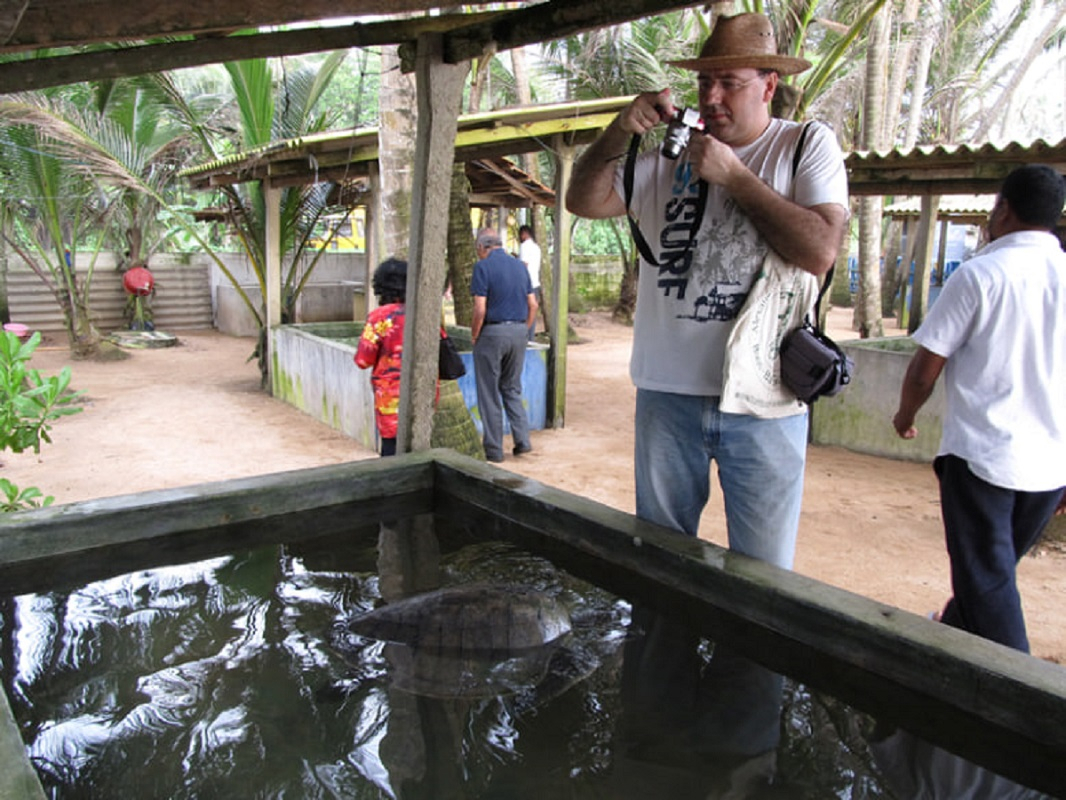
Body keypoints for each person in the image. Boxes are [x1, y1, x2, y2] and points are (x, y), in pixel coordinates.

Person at [564, 12, 849, 569]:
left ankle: (748, 661)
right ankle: (666, 656)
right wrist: (621, 130)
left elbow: (820, 250)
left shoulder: (804, 146)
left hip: (765, 399)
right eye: (704, 83)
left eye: (730, 83)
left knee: (763, 576)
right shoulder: (668, 159)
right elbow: (582, 200)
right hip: (666, 397)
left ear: (768, 84)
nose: (713, 96)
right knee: (662, 565)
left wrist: (735, 177)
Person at [892, 164, 1066, 653]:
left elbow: (926, 367)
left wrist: (906, 416)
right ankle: (945, 641)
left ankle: (1024, 694)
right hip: (1049, 466)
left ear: (1003, 209)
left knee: (987, 583)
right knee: (989, 574)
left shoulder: (980, 274)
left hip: (984, 459)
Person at [470, 228, 538, 463]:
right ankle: (523, 441)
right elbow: (533, 304)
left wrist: (475, 334)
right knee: (511, 388)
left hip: (492, 333)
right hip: (519, 331)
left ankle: (494, 450)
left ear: (482, 248)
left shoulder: (482, 267)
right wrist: (524, 330)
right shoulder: (520, 266)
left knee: (488, 392)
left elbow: (480, 308)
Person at [354, 258, 412, 457]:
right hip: (424, 392)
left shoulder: (379, 317)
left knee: (391, 448)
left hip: (390, 397)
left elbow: (363, 360)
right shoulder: (422, 312)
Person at [517, 224, 542, 340]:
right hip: (535, 283)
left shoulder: (524, 246)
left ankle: (523, 338)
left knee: (523, 313)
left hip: (525, 285)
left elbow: (524, 266)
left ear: (524, 234)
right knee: (532, 312)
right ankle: (530, 338)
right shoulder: (536, 247)